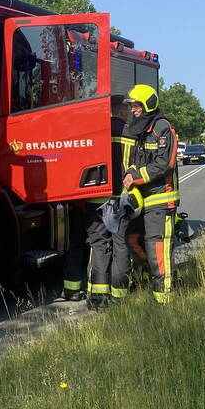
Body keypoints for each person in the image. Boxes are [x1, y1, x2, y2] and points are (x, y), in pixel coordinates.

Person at [62, 96, 135, 307]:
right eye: (127, 109)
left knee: (99, 245)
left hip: (94, 199)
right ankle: (120, 293)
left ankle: (98, 297)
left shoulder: (95, 132)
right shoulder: (130, 133)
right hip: (121, 199)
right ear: (121, 111)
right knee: (121, 245)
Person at [114, 84, 180, 305]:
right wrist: (130, 173)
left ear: (148, 104)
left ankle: (164, 298)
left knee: (157, 247)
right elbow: (137, 161)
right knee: (133, 240)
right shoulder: (141, 129)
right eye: (131, 106)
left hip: (161, 199)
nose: (133, 110)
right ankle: (147, 282)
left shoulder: (163, 128)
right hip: (142, 201)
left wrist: (136, 176)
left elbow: (164, 164)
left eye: (136, 106)